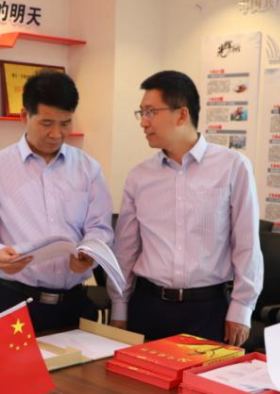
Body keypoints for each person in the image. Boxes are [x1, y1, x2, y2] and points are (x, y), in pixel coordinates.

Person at [109, 70, 262, 345]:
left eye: (151, 112)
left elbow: (247, 244)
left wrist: (242, 308)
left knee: (206, 375)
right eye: (141, 113)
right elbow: (125, 250)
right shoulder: (139, 176)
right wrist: (119, 307)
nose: (143, 122)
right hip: (147, 307)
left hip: (208, 310)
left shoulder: (232, 166)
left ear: (182, 114)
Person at [0, 71, 113, 333]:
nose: (56, 133)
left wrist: (90, 253)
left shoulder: (88, 168)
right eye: (46, 123)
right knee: (8, 362)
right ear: (25, 116)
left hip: (74, 302)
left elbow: (100, 228)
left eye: (65, 123)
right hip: (13, 301)